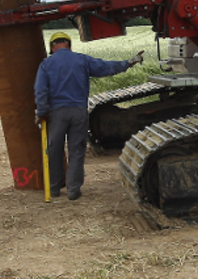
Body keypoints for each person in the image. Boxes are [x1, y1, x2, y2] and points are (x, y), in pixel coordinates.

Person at [34, 31, 144, 200]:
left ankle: (54, 189)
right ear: (69, 45)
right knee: (76, 150)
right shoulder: (82, 60)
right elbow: (107, 68)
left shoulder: (46, 64)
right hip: (79, 112)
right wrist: (129, 62)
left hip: (57, 113)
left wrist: (41, 112)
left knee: (54, 150)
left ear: (52, 47)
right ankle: (73, 190)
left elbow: (41, 90)